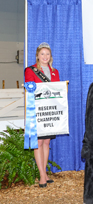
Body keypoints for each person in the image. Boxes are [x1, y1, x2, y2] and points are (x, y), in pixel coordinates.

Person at [25, 42, 60, 188]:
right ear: (37, 56)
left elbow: (58, 91)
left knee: (46, 142)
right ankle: (41, 175)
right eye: (42, 54)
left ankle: (44, 172)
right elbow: (29, 89)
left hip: (49, 111)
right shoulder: (30, 70)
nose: (45, 56)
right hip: (37, 111)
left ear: (50, 56)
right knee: (38, 142)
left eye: (47, 54)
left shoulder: (55, 72)